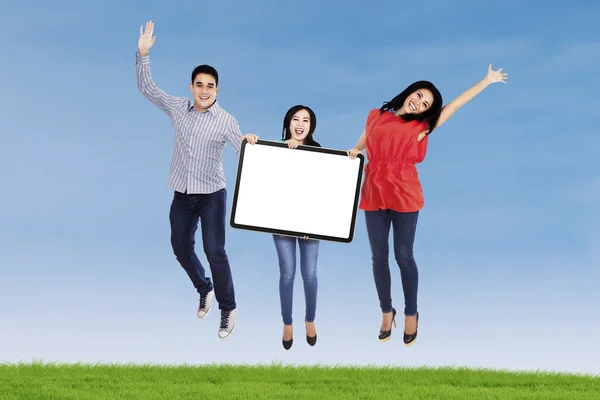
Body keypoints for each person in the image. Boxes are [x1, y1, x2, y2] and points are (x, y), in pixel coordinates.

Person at [347, 64, 508, 345]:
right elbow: (364, 138)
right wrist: (355, 150)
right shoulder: (376, 115)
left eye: (425, 104)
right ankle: (387, 311)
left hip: (404, 194)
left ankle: (411, 313)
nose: (418, 102)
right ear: (410, 91)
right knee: (378, 257)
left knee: (403, 255)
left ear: (426, 112)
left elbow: (456, 104)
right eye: (418, 95)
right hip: (373, 191)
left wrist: (486, 80)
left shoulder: (422, 127)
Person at [136, 20, 255, 340]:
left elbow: (243, 151)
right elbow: (148, 89)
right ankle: (205, 287)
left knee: (215, 249)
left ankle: (228, 307)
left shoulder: (226, 120)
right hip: (182, 193)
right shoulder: (177, 107)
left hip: (212, 194)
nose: (204, 90)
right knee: (180, 247)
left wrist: (251, 141)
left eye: (210, 86)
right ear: (192, 87)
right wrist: (142, 54)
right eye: (199, 85)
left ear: (217, 90)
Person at [244, 105, 321, 350]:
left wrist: (313, 223)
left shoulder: (320, 152)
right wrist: (251, 141)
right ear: (288, 123)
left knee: (309, 274)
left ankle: (310, 320)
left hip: (310, 225)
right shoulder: (275, 147)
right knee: (287, 273)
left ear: (311, 126)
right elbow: (257, 170)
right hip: (282, 223)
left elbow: (323, 192)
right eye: (296, 119)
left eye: (305, 120)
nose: (300, 124)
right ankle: (287, 323)